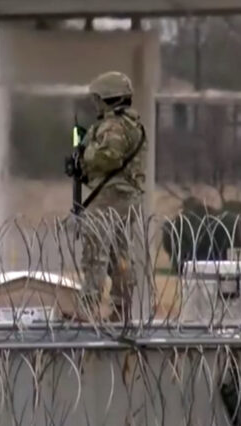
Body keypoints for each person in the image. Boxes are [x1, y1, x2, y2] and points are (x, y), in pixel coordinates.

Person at [76, 71, 148, 324]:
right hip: (126, 199)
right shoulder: (132, 123)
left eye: (98, 99)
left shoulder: (113, 125)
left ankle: (88, 309)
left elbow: (109, 157)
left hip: (109, 197)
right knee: (121, 257)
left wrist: (84, 154)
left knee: (95, 254)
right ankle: (120, 309)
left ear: (107, 98)